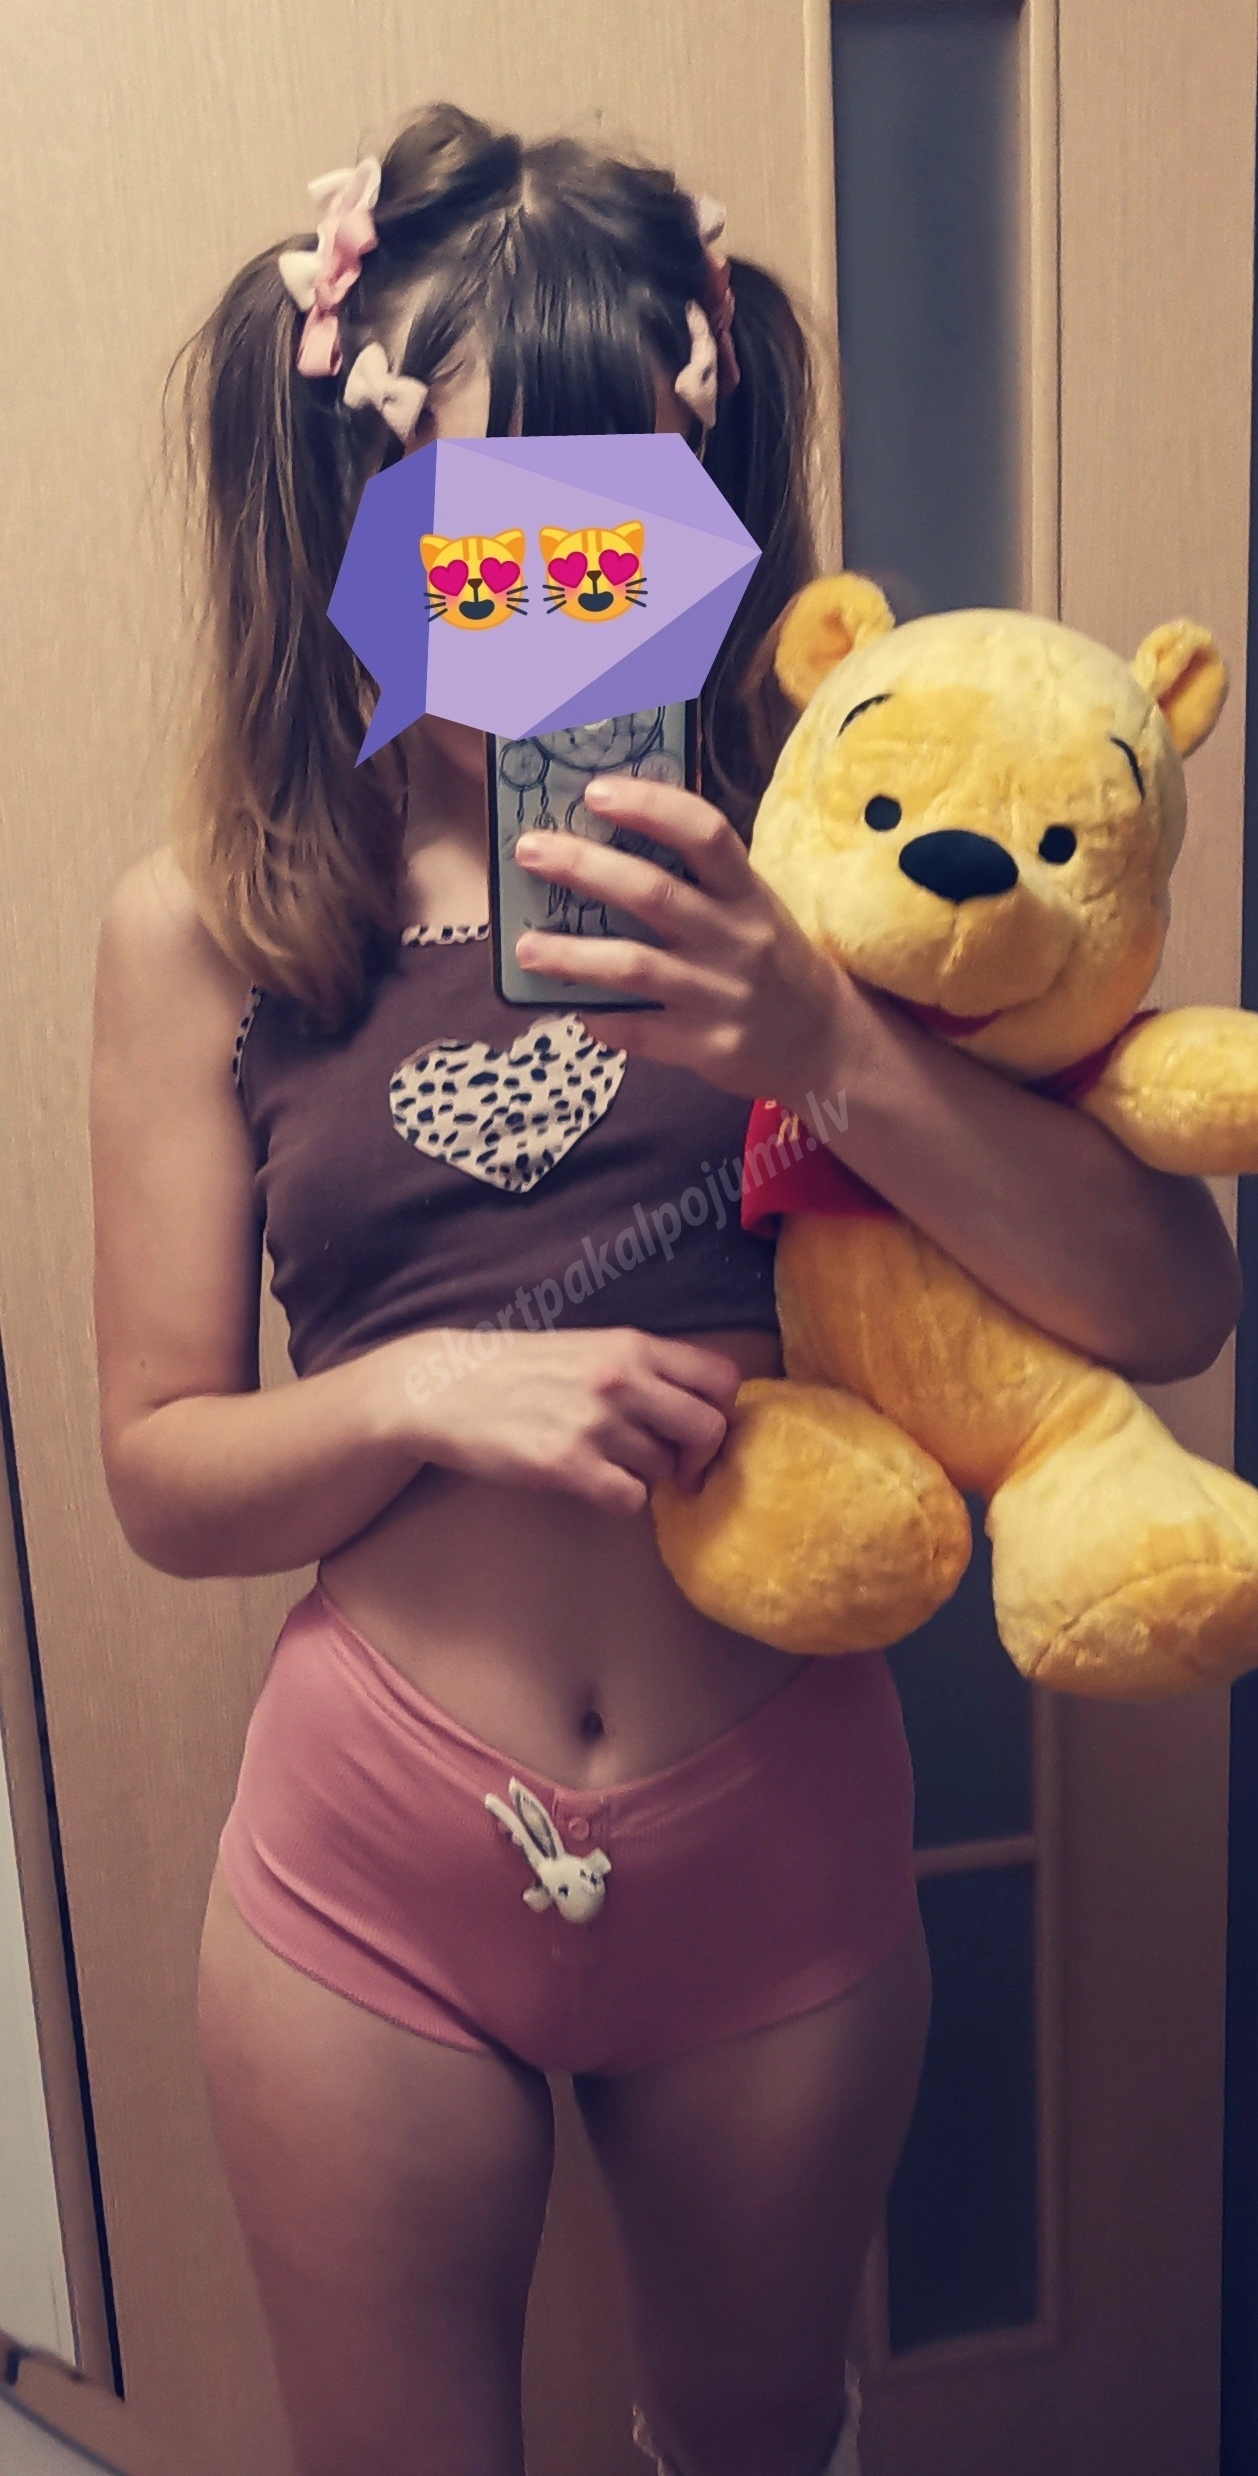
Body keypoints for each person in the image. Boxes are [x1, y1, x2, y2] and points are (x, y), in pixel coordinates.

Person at [89, 102, 1241, 2476]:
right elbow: (165, 1475)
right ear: (352, 507)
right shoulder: (217, 920)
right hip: (369, 1844)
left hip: (773, 1824)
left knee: (746, 2442)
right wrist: (424, 1391)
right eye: (485, 528)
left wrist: (824, 1038)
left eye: (612, 521)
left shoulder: (842, 844)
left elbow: (1164, 1303)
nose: (552, 594)